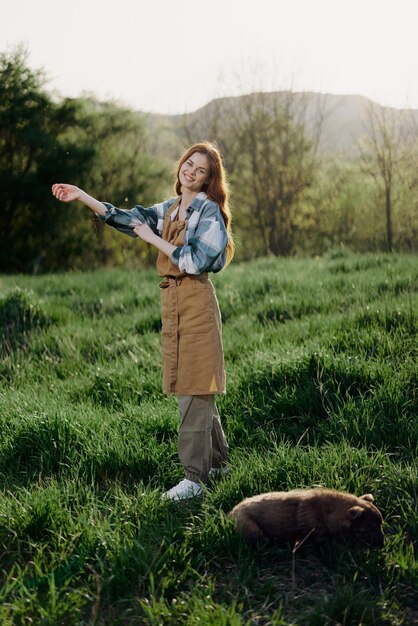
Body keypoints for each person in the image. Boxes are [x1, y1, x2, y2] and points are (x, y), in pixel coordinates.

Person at [52, 141, 234, 500]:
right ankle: (219, 464)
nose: (191, 172)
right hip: (173, 302)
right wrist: (83, 196)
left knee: (194, 387)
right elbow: (126, 219)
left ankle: (195, 479)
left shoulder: (209, 212)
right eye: (189, 164)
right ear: (181, 166)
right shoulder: (169, 208)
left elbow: (195, 260)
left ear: (209, 180)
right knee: (194, 383)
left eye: (201, 171)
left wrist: (154, 240)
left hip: (196, 300)